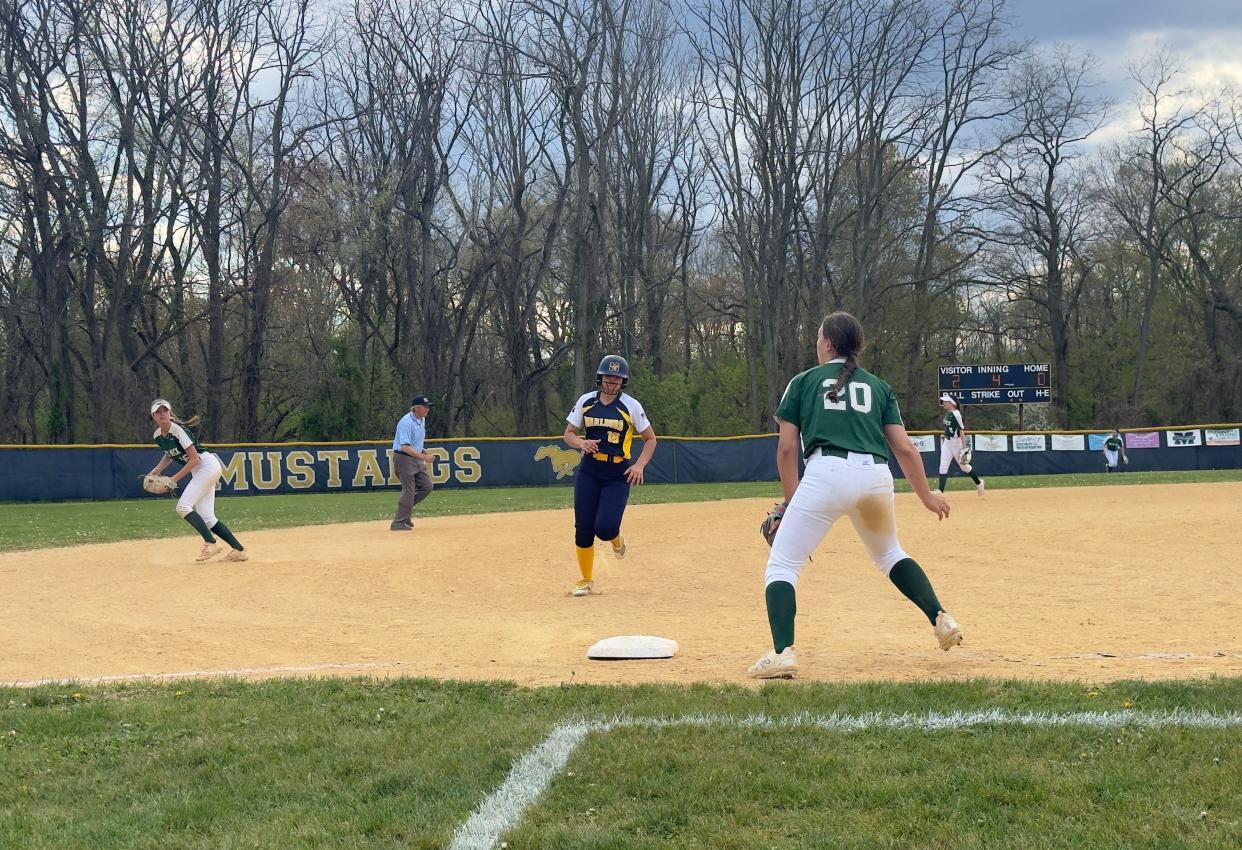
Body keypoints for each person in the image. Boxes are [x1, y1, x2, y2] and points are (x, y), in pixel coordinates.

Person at [747, 312, 963, 679]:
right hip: (875, 478)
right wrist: (926, 495)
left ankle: (783, 652)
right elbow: (905, 449)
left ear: (829, 343)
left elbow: (786, 451)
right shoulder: (878, 386)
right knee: (891, 553)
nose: (816, 343)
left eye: (819, 337)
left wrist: (790, 502)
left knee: (783, 564)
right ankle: (942, 618)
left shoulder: (801, 382)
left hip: (826, 474)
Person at [562, 355, 658, 596]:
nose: (612, 381)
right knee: (583, 527)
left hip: (617, 473)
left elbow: (650, 439)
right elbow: (569, 434)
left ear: (623, 381)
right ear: (600, 377)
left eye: (617, 378)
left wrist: (639, 465)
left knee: (604, 528)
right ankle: (585, 579)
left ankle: (615, 538)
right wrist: (581, 443)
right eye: (608, 376)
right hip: (590, 470)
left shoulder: (631, 406)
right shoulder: (586, 401)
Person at [147, 399, 247, 562]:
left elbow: (195, 459)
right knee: (207, 518)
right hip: (200, 471)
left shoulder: (179, 431)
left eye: (165, 410)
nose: (162, 414)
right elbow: (170, 453)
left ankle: (211, 543)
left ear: (170, 413)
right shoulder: (158, 436)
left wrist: (173, 479)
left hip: (206, 466)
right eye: (158, 412)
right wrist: (157, 470)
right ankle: (239, 550)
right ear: (153, 416)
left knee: (183, 506)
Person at [391, 395, 435, 530]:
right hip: (403, 458)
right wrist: (424, 457)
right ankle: (398, 522)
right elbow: (404, 446)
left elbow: (415, 442)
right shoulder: (406, 422)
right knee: (409, 491)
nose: (427, 409)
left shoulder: (421, 420)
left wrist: (423, 451)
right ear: (416, 408)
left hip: (414, 457)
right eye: (425, 407)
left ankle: (404, 513)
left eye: (428, 407)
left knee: (427, 486)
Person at [937, 393, 984, 496]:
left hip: (956, 443)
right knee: (943, 467)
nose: (943, 403)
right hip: (947, 442)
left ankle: (979, 483)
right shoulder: (948, 413)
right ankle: (940, 492)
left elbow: (961, 431)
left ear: (951, 403)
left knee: (964, 467)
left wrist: (964, 447)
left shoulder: (956, 414)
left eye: (945, 401)